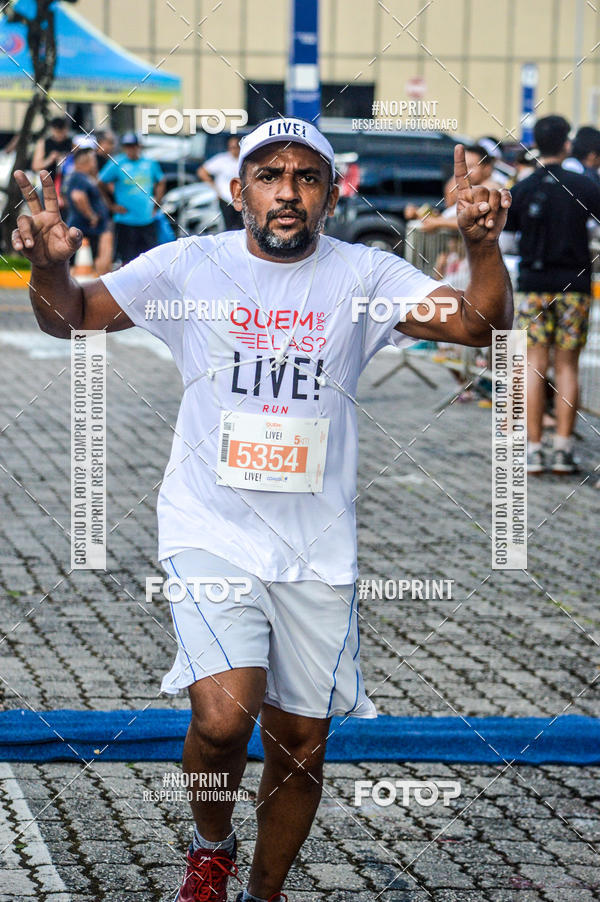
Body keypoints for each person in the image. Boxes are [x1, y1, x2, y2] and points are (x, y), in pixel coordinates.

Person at [12, 117, 513, 902]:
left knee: (302, 743)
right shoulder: (191, 267)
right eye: (270, 176)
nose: (288, 192)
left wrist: (482, 247)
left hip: (317, 544)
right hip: (208, 527)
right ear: (238, 189)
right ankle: (210, 849)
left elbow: (480, 325)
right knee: (221, 718)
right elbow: (71, 312)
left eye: (307, 177)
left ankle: (263, 894)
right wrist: (44, 267)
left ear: (329, 192)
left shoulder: (365, 275)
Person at [504, 114, 600, 474]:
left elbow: (509, 240)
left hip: (532, 284)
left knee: (533, 365)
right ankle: (563, 448)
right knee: (567, 366)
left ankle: (533, 448)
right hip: (574, 285)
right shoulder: (586, 187)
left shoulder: (523, 188)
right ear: (567, 144)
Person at [98, 132, 165, 264]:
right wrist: (110, 205)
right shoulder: (117, 163)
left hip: (146, 219)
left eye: (133, 146)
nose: (131, 149)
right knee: (127, 259)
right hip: (125, 220)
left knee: (150, 258)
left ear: (138, 146)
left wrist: (157, 202)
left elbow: (161, 181)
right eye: (128, 146)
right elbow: (100, 182)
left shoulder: (149, 163)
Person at [64, 147, 113, 275]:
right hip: (84, 227)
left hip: (89, 228)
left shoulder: (86, 177)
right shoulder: (79, 177)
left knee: (91, 260)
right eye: (93, 159)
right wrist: (91, 215)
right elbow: (78, 196)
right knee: (75, 263)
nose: (95, 162)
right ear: (86, 161)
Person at [197, 134, 243, 229]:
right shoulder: (222, 160)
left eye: (236, 147)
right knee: (228, 227)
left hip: (242, 199)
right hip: (226, 199)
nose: (233, 150)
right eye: (231, 147)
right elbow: (202, 171)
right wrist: (214, 187)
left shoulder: (245, 160)